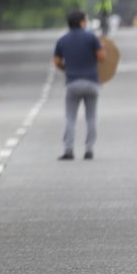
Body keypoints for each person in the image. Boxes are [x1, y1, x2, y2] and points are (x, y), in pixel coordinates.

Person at [53, 10, 105, 161]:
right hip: (91, 83)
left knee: (70, 118)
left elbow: (56, 61)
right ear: (82, 22)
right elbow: (101, 57)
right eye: (86, 20)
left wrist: (66, 69)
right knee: (91, 117)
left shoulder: (62, 40)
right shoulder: (91, 38)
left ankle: (68, 150)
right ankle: (89, 149)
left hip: (72, 83)